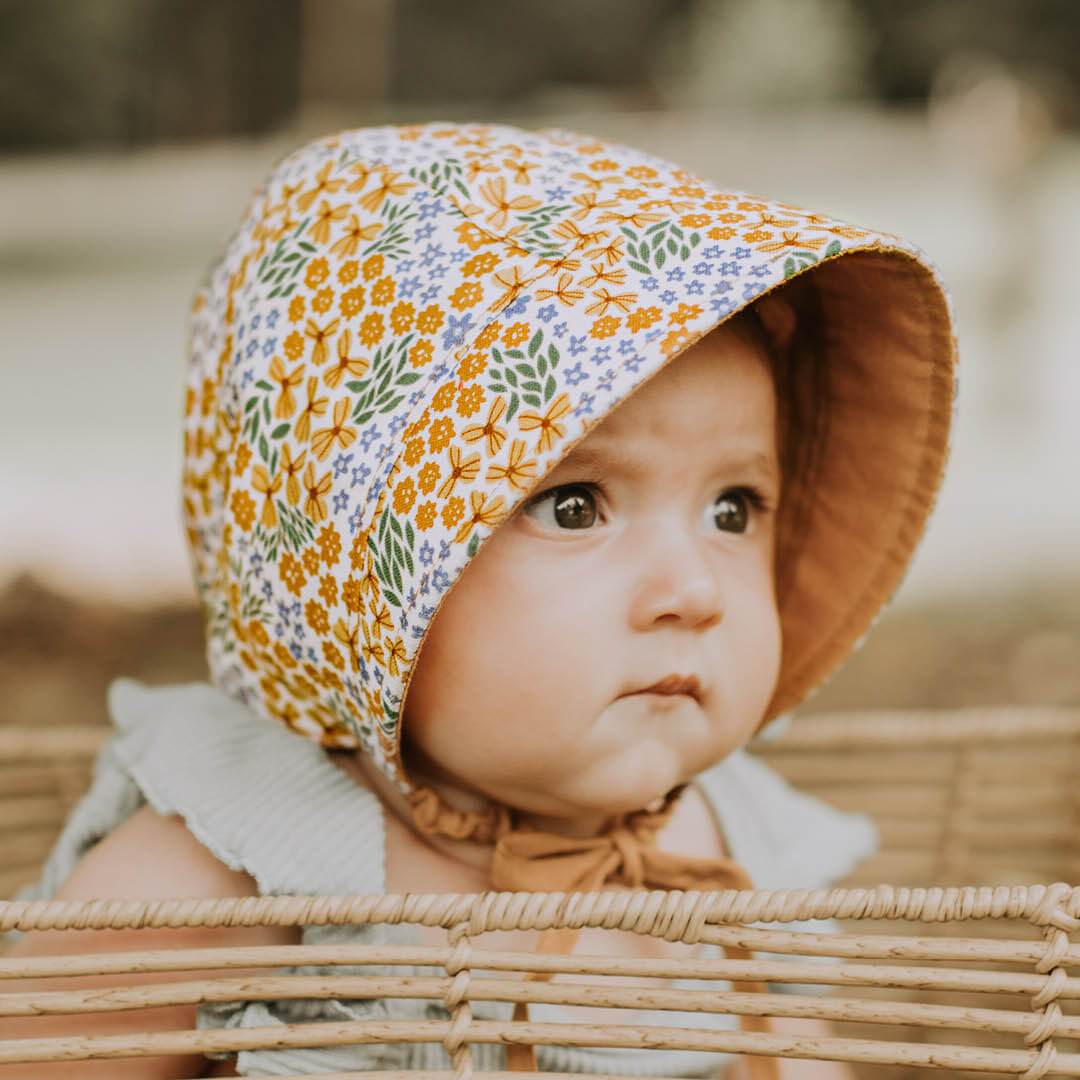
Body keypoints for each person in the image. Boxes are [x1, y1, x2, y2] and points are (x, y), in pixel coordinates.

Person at [2, 121, 956, 1078]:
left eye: (733, 508)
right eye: (575, 507)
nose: (695, 589)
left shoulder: (746, 845)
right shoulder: (227, 875)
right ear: (353, 569)